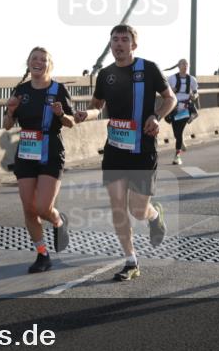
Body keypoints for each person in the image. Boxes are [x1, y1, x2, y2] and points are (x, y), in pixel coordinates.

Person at [74, 25, 175, 281]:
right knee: (118, 207)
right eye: (115, 40)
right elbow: (98, 106)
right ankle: (131, 261)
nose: (119, 44)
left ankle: (154, 215)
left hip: (143, 149)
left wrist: (157, 115)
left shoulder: (148, 68)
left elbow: (170, 98)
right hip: (116, 149)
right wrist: (87, 114)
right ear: (110, 45)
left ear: (134, 45)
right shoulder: (105, 74)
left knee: (137, 210)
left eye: (124, 40)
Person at [4, 47, 75, 273]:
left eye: (43, 59)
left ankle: (58, 221)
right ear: (28, 63)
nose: (38, 62)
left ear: (49, 65)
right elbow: (7, 125)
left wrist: (60, 115)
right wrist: (10, 110)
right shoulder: (21, 90)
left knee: (44, 207)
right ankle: (42, 254)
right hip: (26, 150)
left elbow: (71, 122)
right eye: (34, 59)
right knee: (29, 208)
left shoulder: (58, 89)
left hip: (51, 150)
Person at [166, 59, 198, 165]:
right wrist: (171, 91)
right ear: (178, 66)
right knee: (176, 132)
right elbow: (165, 92)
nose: (185, 66)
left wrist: (194, 96)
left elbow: (196, 93)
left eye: (186, 64)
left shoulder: (192, 80)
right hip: (174, 108)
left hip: (185, 108)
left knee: (179, 132)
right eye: (183, 64)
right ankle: (181, 142)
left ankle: (177, 156)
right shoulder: (171, 78)